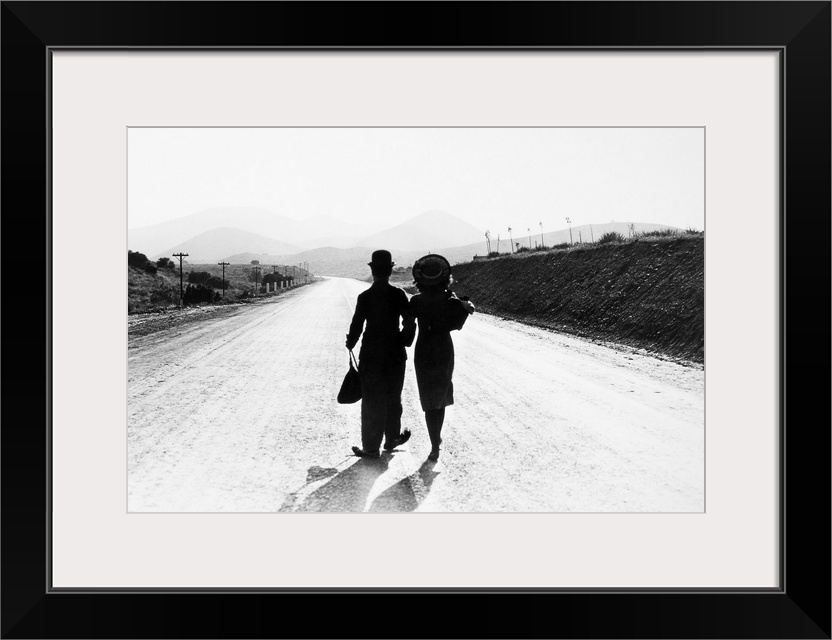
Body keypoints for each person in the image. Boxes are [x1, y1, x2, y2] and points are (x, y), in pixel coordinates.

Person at [403, 254, 475, 461]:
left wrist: (403, 340)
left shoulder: (416, 301)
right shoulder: (451, 301)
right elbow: (459, 322)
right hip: (443, 349)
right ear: (444, 278)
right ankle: (436, 443)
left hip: (423, 350)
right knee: (440, 396)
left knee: (429, 398)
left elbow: (408, 331)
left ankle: (434, 442)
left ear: (420, 279)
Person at [345, 250, 415, 459]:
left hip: (371, 355)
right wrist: (404, 339)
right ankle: (391, 438)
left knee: (371, 400)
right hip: (395, 354)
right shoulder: (399, 294)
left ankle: (370, 448)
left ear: (373, 271)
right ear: (390, 271)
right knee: (393, 397)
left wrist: (351, 343)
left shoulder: (365, 297)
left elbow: (357, 325)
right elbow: (409, 321)